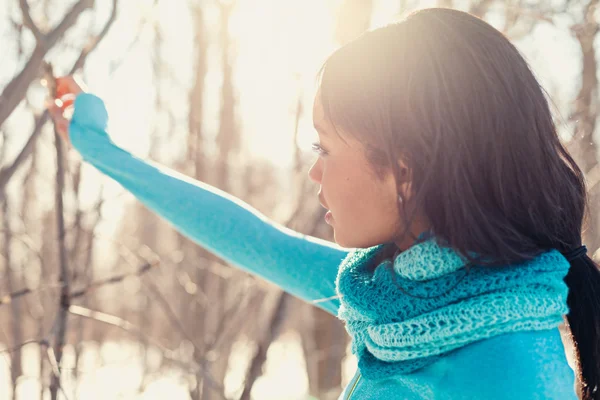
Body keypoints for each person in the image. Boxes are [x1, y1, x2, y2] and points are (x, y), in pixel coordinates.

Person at [47, 8, 600, 400]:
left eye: (326, 146)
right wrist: (98, 147)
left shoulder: (504, 376)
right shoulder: (405, 297)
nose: (315, 171)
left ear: (403, 169)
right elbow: (255, 239)